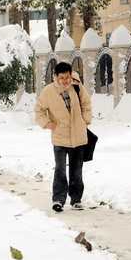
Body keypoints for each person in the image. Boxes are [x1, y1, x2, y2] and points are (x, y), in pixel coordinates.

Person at [34, 62, 92, 212]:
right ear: (55, 77)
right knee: (60, 169)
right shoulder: (49, 91)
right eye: (61, 78)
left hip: (78, 135)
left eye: (67, 77)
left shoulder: (77, 87)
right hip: (60, 136)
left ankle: (76, 199)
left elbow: (86, 104)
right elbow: (39, 110)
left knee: (76, 169)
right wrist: (47, 123)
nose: (65, 80)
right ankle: (58, 199)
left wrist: (85, 120)